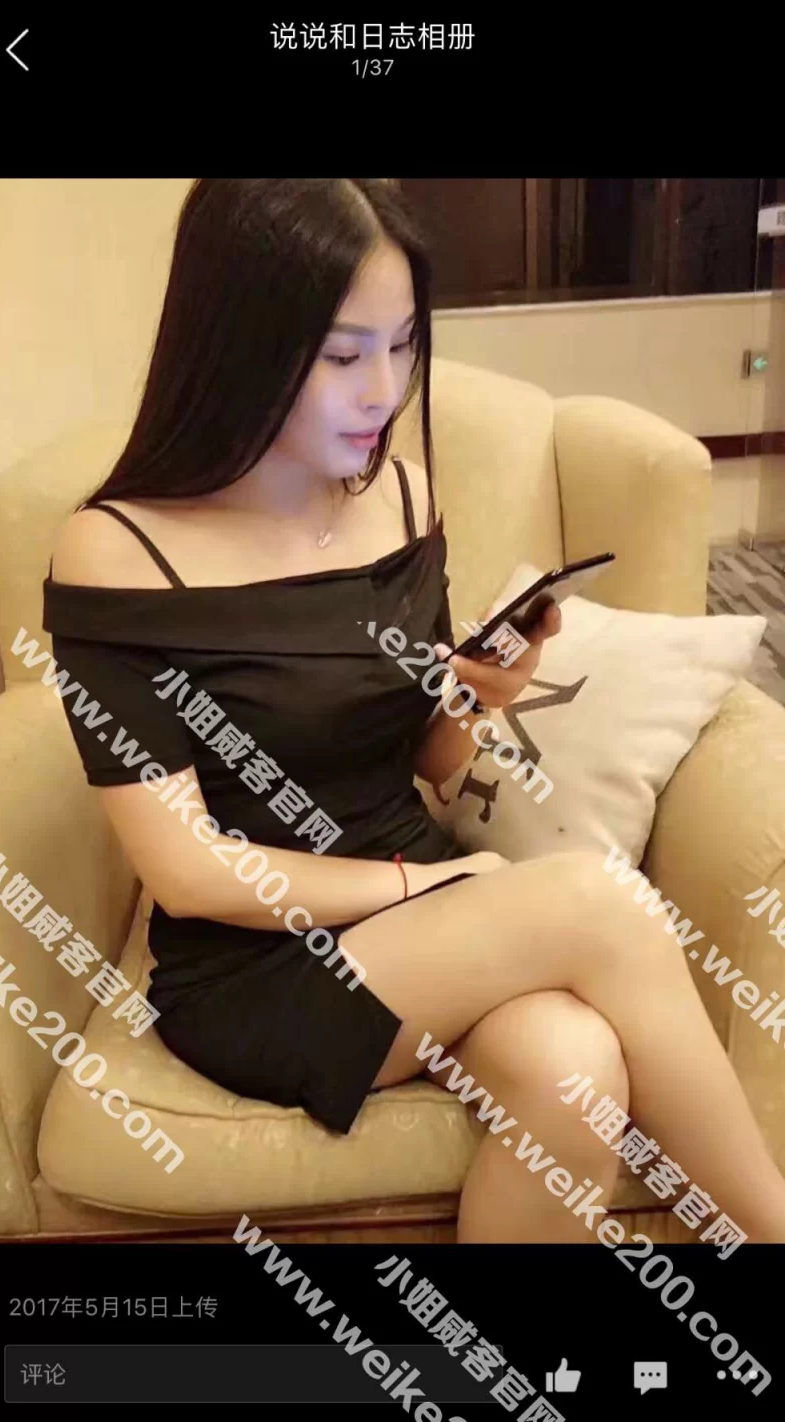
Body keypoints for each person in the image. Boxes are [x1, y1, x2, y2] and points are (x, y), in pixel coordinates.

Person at [43, 178, 785, 1244]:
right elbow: (188, 870)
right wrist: (426, 884)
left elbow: (428, 761)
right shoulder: (116, 551)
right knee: (596, 903)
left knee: (574, 1073)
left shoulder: (400, 496)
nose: (383, 391)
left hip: (422, 901)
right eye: (342, 357)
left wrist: (481, 696)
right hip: (258, 958)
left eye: (401, 347)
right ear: (238, 344)